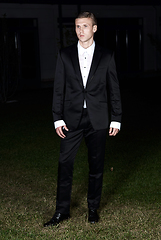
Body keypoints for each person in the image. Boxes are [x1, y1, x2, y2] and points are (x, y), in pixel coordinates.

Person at [44, 11, 122, 227]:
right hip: (71, 119)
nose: (80, 31)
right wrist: (57, 118)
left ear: (94, 28)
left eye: (85, 26)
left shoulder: (107, 56)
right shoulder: (65, 54)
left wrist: (116, 118)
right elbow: (58, 89)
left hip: (98, 119)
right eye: (77, 26)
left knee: (96, 166)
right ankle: (62, 211)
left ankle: (93, 209)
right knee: (64, 163)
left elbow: (114, 89)